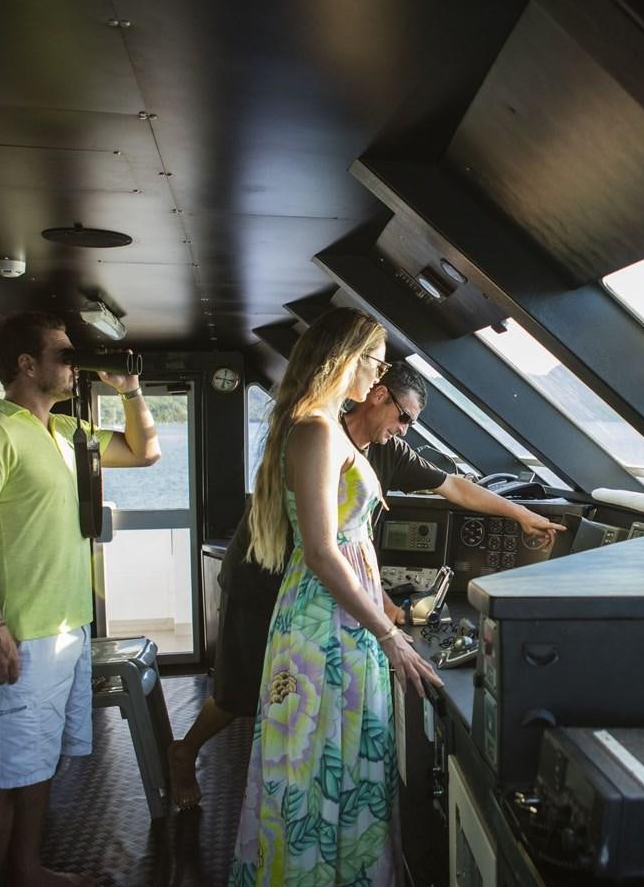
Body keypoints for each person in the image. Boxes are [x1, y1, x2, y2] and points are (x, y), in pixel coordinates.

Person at [169, 360, 563, 810]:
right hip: (264, 580)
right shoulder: (319, 436)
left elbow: (453, 486)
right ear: (378, 395)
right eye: (404, 418)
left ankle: (315, 800)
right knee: (240, 695)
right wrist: (388, 622)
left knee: (308, 697)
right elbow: (320, 546)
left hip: (325, 593)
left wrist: (522, 514)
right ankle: (186, 751)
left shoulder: (387, 451)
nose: (405, 430)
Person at [228, 307, 447, 885]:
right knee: (319, 763)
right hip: (327, 626)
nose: (377, 377)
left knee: (340, 755)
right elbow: (324, 552)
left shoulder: (320, 425)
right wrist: (390, 634)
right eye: (373, 362)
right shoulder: (319, 431)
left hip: (337, 618)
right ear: (345, 357)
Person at [0, 311, 161, 887]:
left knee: (39, 763)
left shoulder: (65, 433)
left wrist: (131, 392)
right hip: (18, 632)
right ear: (26, 364)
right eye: (62, 354)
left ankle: (28, 867)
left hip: (65, 628)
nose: (73, 364)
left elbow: (145, 453)